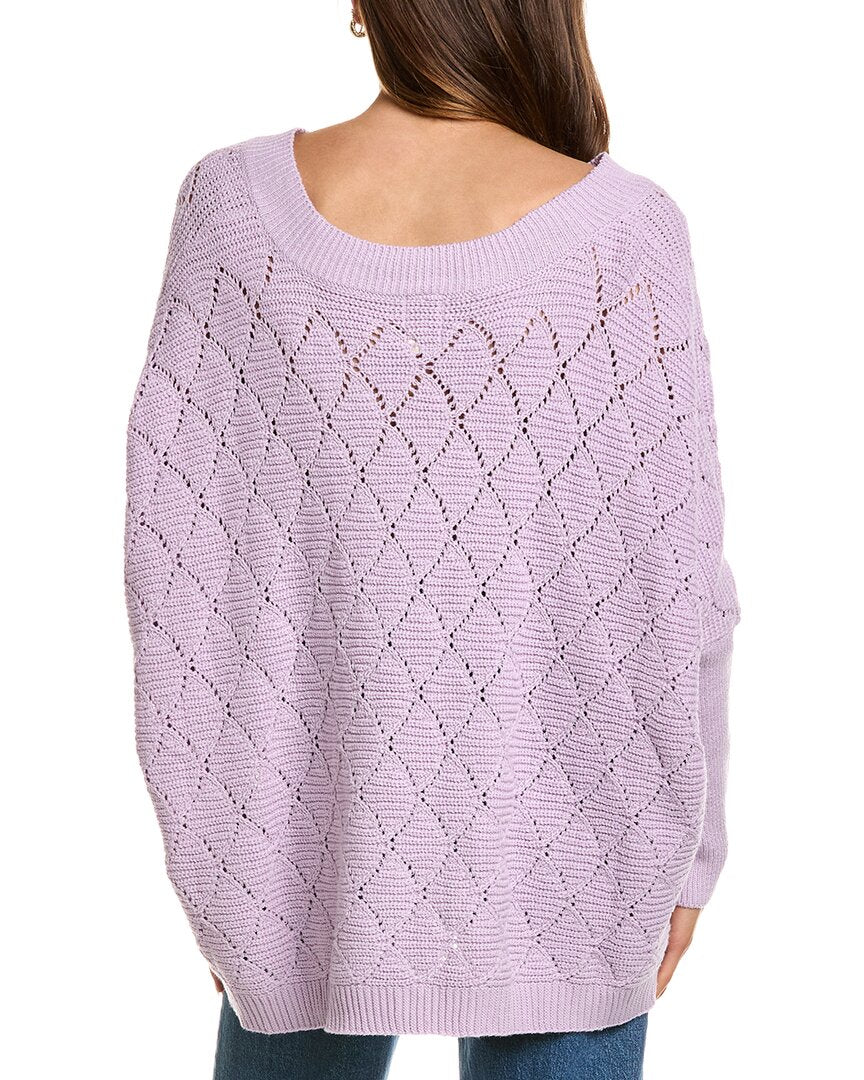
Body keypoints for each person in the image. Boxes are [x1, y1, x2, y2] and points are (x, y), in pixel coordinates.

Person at [123, 2, 742, 1077]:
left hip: (293, 873)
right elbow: (683, 587)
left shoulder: (231, 211)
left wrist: (228, 870)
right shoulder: (627, 233)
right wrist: (693, 858)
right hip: (576, 864)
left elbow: (184, 586)